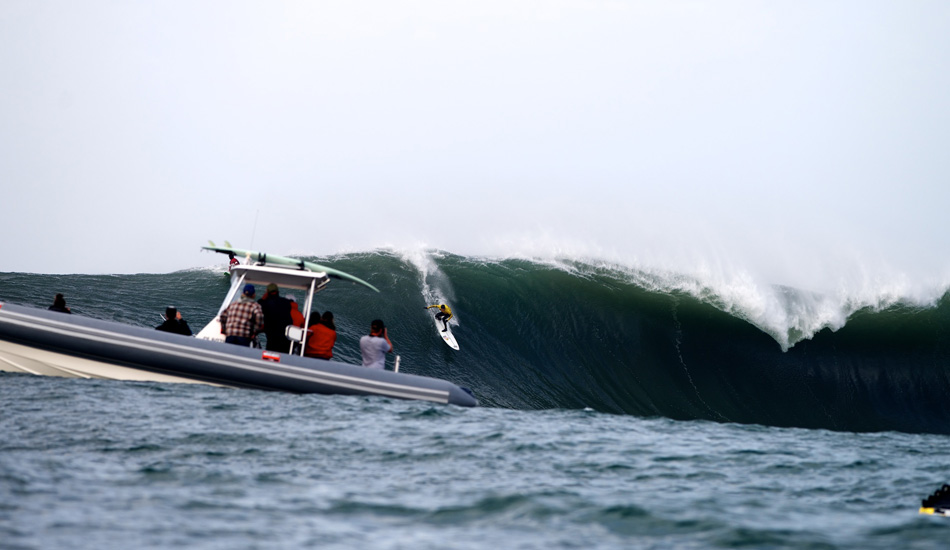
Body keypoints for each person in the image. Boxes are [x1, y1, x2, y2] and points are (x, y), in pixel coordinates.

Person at [257, 283, 294, 352]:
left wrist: (262, 299)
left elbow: (258, 306)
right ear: (278, 291)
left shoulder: (265, 303)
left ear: (267, 292)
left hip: (272, 337)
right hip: (285, 337)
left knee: (270, 356)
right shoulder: (286, 302)